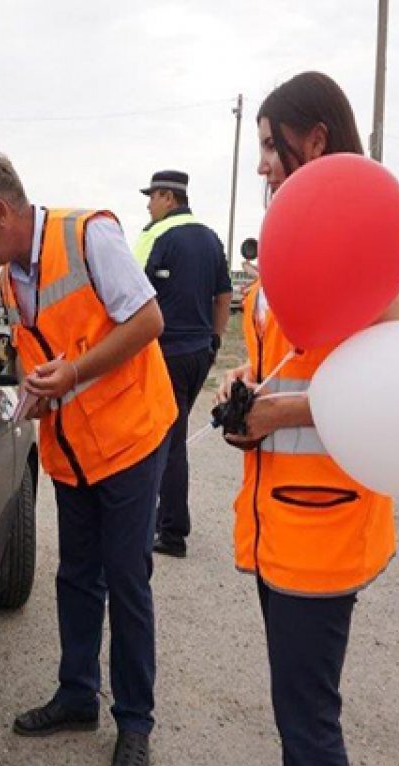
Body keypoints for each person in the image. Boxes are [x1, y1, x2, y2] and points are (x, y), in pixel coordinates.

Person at [0, 153, 177, 766]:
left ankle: (135, 721)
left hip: (130, 442)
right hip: (73, 451)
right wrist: (32, 395)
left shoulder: (88, 235)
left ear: (2, 211)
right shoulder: (6, 280)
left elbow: (149, 321)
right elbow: (52, 353)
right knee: (76, 576)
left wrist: (74, 374)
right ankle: (78, 695)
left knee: (126, 580)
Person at [214, 71, 399, 766]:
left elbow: (391, 388)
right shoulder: (293, 240)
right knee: (296, 713)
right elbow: (282, 363)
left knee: (308, 720)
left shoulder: (363, 241)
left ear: (315, 138)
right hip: (279, 524)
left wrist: (279, 414)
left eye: (270, 144)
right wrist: (244, 389)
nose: (261, 161)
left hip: (322, 530)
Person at [132, 169, 232, 558]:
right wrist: (215, 340)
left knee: (166, 440)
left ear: (168, 198)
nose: (148, 205)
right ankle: (168, 518)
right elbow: (223, 296)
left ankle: (172, 530)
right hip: (198, 354)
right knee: (173, 435)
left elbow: (129, 289)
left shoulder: (155, 235)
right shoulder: (210, 239)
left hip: (166, 352)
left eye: (152, 197)